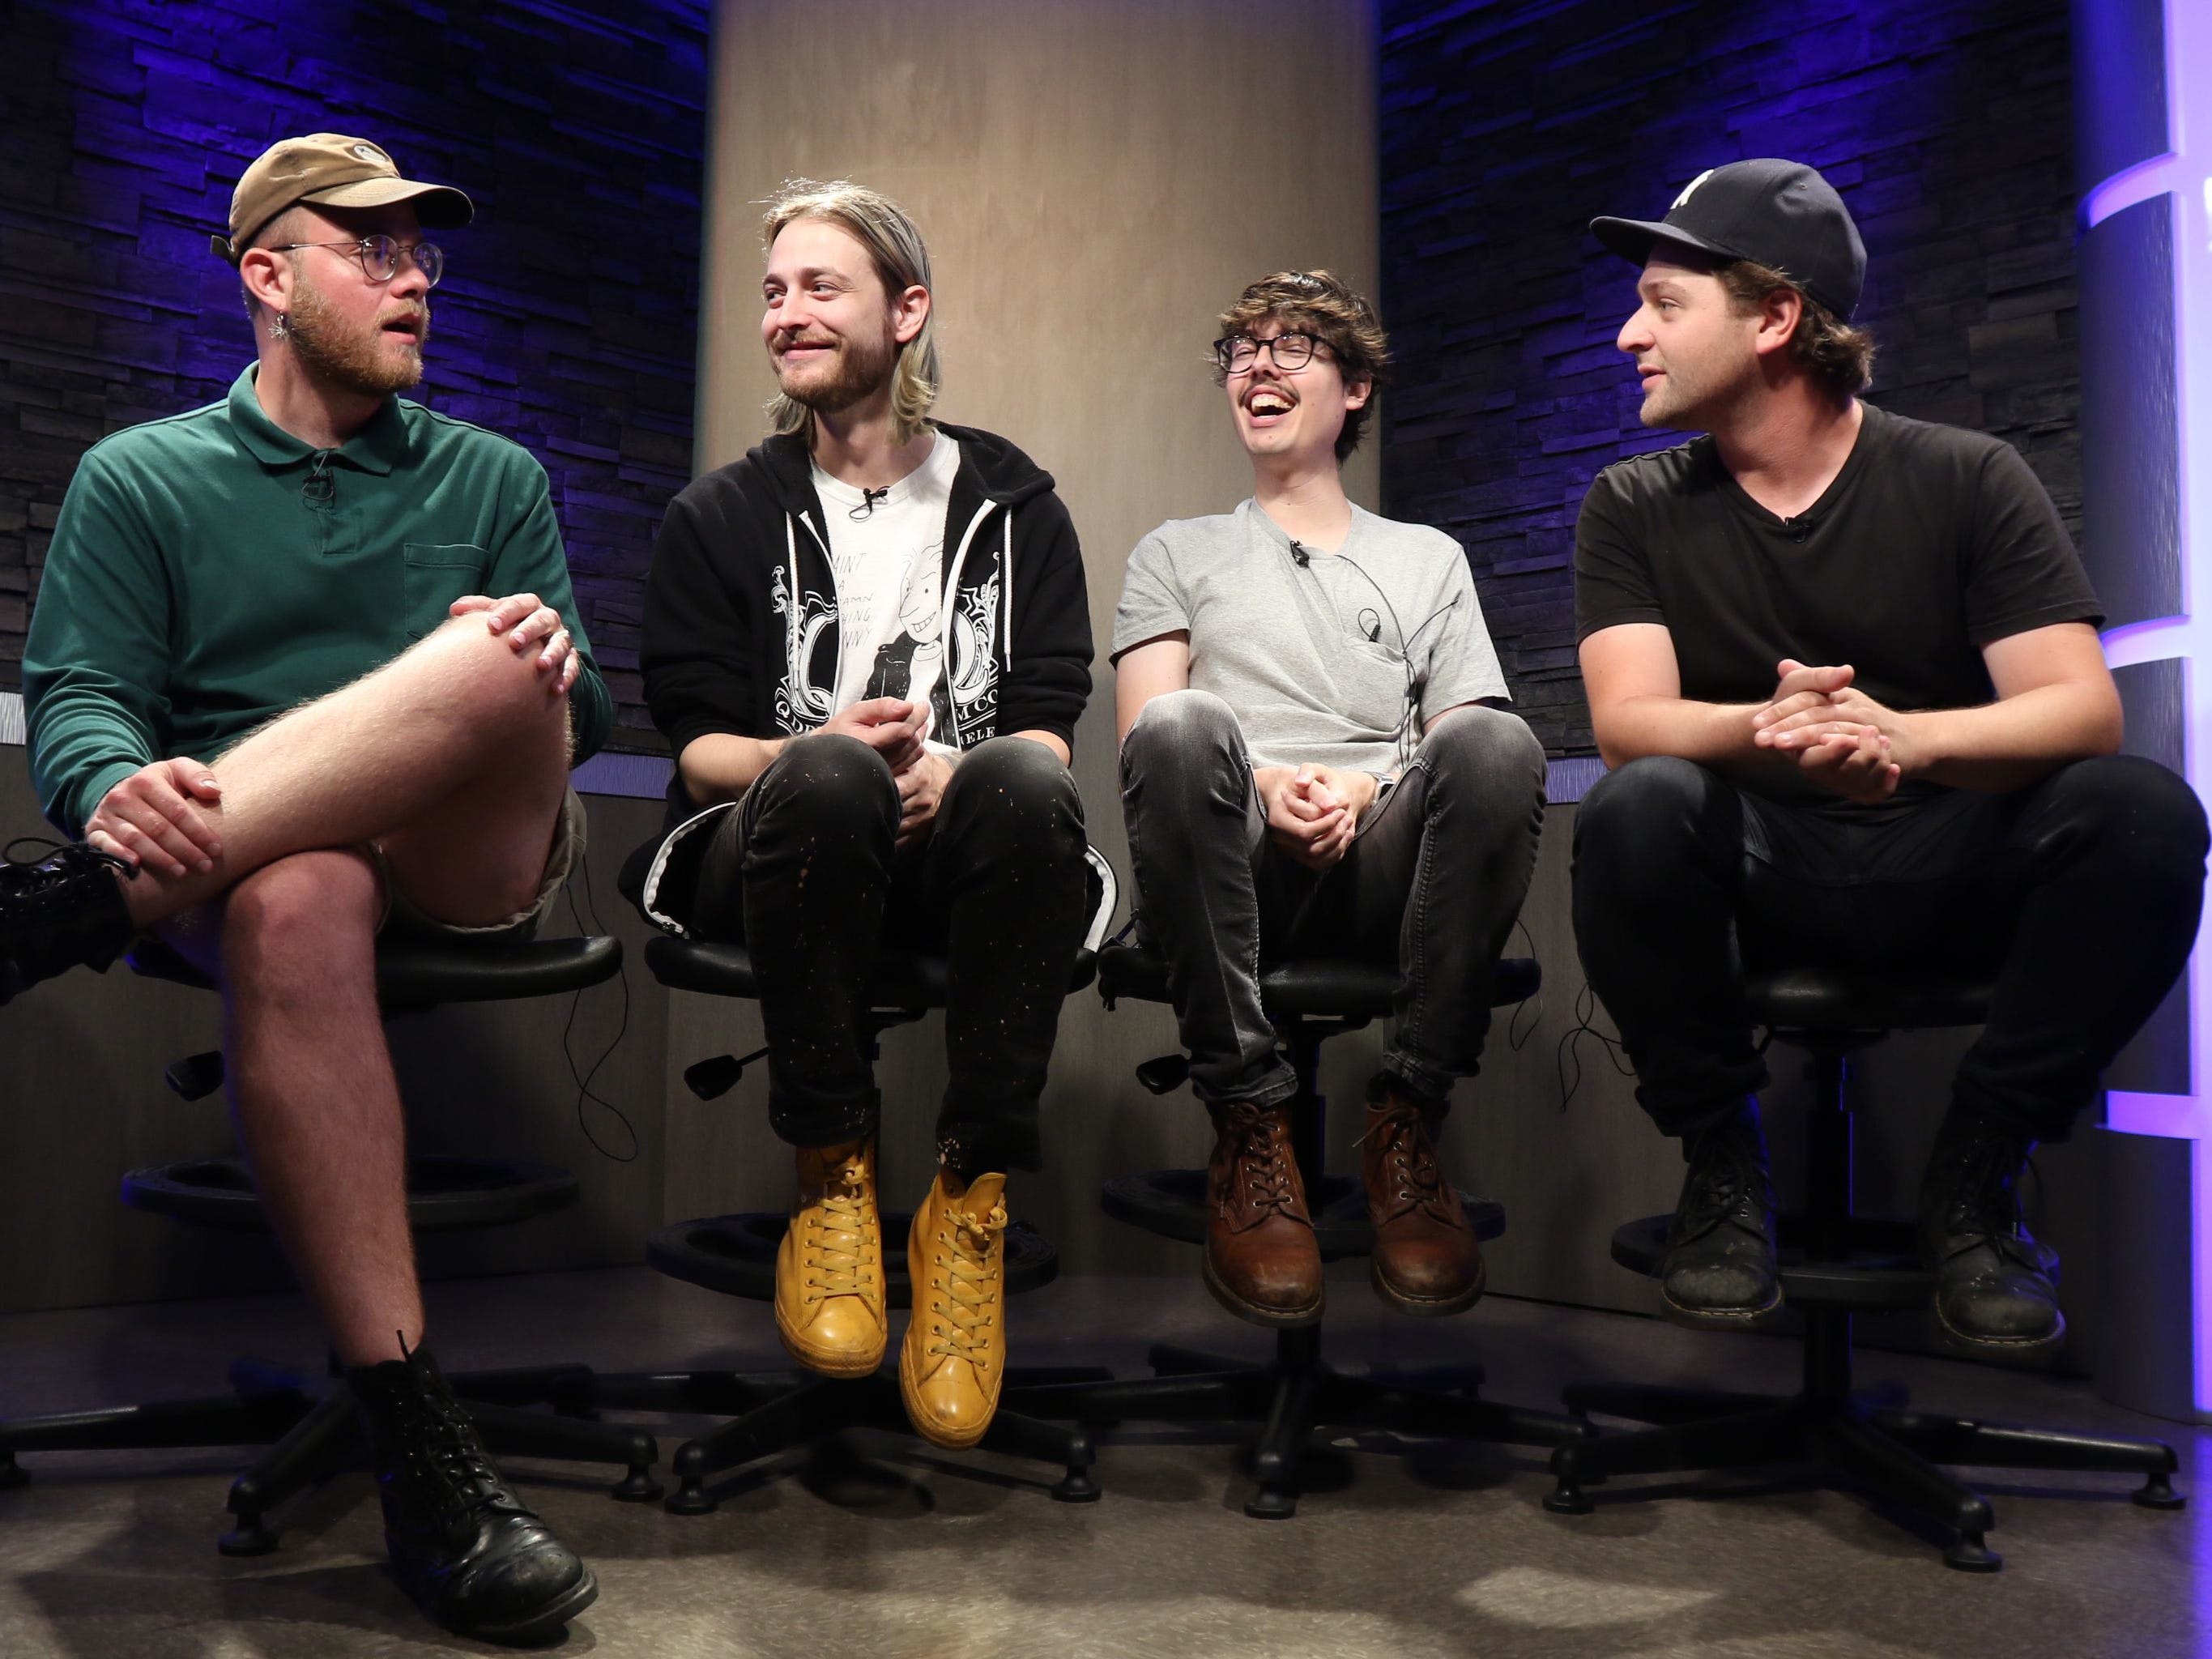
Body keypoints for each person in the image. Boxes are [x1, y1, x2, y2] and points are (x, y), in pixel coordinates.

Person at [6, 134, 607, 1643]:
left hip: (474, 845)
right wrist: (104, 790)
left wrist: (520, 676)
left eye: (425, 258)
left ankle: (70, 913)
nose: (416, 282)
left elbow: (572, 721)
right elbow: (82, 692)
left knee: (505, 650)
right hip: (249, 862)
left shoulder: (496, 474)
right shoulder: (142, 476)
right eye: (375, 250)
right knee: (298, 892)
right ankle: (420, 1447)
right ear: (268, 276)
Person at [1571, 157, 2208, 1361]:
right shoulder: (1632, 503)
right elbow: (1631, 725)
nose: (1625, 335)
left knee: (2143, 814)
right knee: (1638, 806)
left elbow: (2078, 711)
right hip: (1761, 876)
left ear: (1774, 316)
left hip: (1945, 864)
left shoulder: (1967, 476)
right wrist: (1775, 728)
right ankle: (1722, 1164)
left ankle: (1979, 1172)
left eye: (1662, 303)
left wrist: (1905, 739)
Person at [629, 179, 1094, 1449]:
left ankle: (968, 1194)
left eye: (819, 287)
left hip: (962, 849)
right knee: (827, 776)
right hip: (769, 842)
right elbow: (697, 739)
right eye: (773, 293)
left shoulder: (1012, 500)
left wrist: (961, 767)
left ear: (908, 310)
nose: (786, 315)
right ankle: (832, 1173)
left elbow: (1054, 708)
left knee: (1024, 776)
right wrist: (803, 752)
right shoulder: (717, 514)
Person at [1110, 271, 1545, 1328]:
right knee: (1179, 727)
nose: (1258, 364)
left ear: (1354, 389)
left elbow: (1460, 750)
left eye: (1293, 345)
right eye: (1244, 350)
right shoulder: (1176, 552)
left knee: (1498, 740)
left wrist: (1362, 786)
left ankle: (1408, 1118)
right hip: (1235, 866)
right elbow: (1143, 735)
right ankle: (1251, 1122)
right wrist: (1270, 783)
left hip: (1388, 876)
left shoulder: (1426, 559)